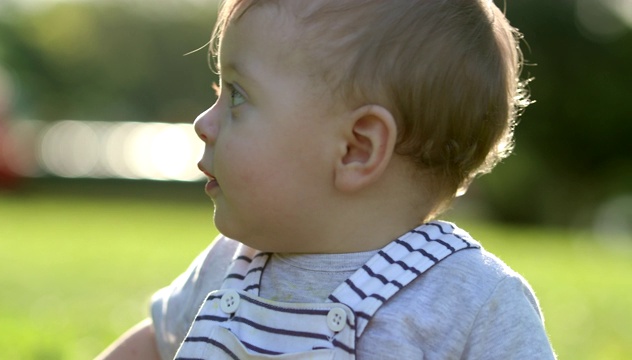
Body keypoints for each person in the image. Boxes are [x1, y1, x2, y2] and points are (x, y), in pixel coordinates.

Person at [97, 0, 556, 359]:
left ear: (357, 147)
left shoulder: (470, 302)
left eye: (236, 96)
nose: (203, 122)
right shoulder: (230, 266)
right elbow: (154, 348)